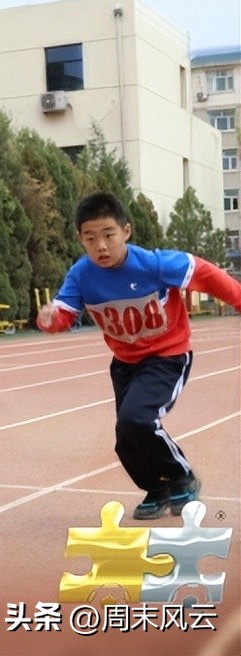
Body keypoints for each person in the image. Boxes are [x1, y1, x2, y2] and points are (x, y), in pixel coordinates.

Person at [37, 192, 241, 520]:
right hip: (125, 363)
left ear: (126, 232)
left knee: (138, 419)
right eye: (90, 238)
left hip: (167, 355)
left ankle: (182, 476)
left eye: (108, 235)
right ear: (80, 239)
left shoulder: (154, 264)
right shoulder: (81, 274)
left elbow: (206, 274)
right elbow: (64, 311)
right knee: (126, 436)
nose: (101, 246)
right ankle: (156, 489)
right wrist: (50, 319)